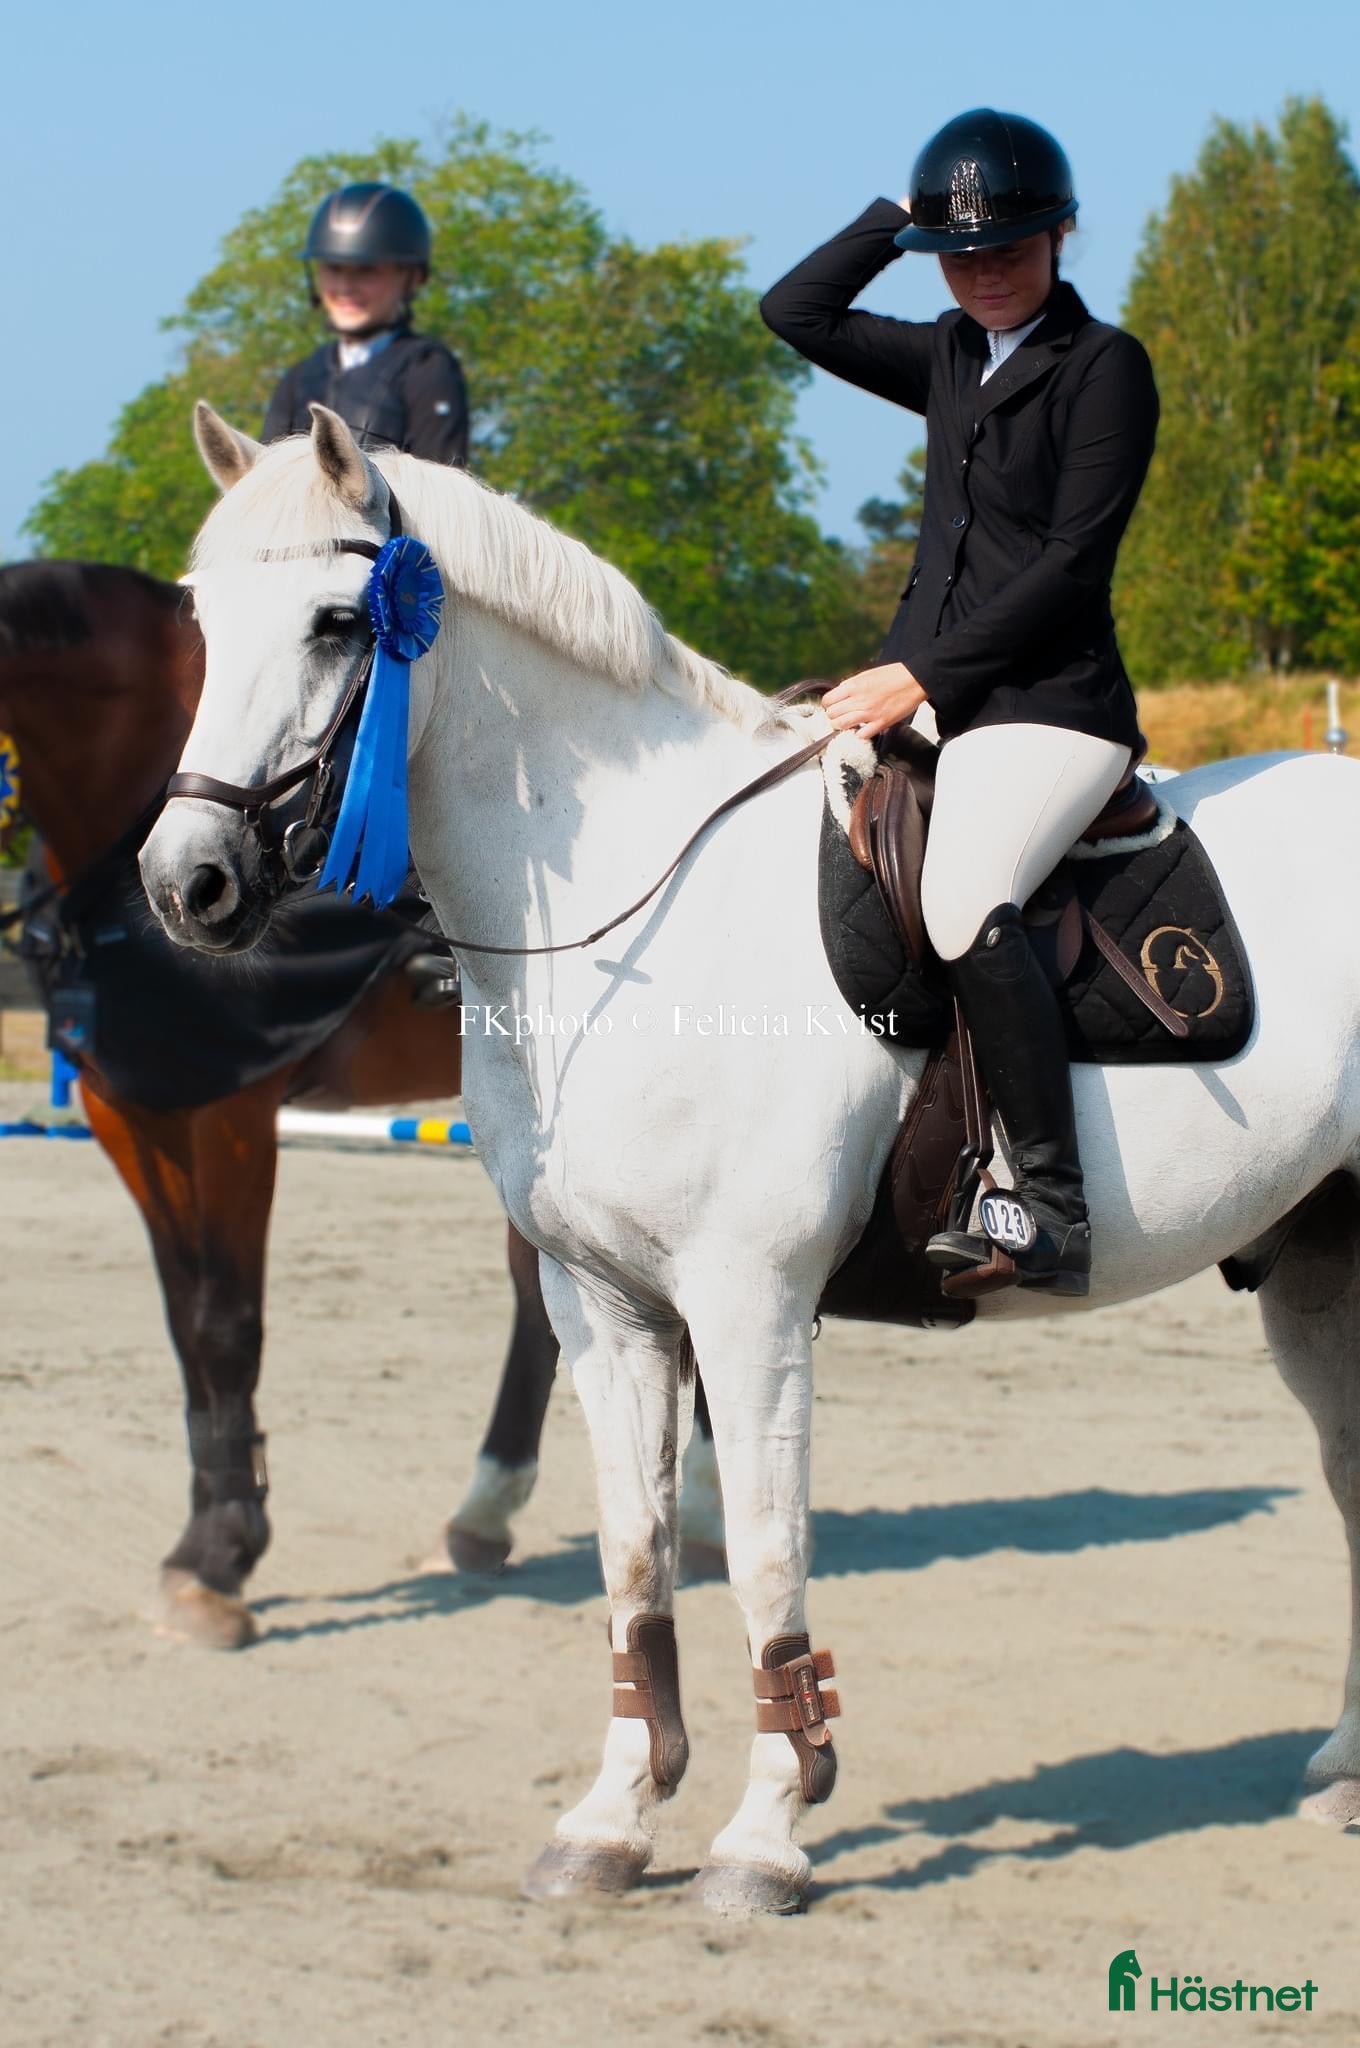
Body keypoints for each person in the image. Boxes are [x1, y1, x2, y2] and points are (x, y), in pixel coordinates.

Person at [761, 109, 1159, 1296]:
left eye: (1011, 246)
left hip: (1050, 706)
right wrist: (905, 213)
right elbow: (796, 312)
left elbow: (1068, 568)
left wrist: (923, 677)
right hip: (929, 697)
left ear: (1061, 235)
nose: (985, 271)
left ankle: (1049, 1199)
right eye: (961, 253)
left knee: (965, 897)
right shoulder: (945, 352)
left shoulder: (1104, 369)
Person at [262, 182, 469, 466]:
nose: (345, 287)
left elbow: (440, 495)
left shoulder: (428, 371)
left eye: (366, 271)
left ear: (411, 277)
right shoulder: (298, 380)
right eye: (333, 269)